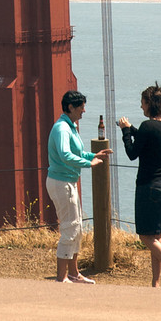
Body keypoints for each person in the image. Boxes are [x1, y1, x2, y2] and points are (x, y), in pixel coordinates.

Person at [117, 82, 161, 288]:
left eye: (142, 103)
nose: (141, 107)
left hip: (149, 186)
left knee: (145, 237)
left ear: (149, 105)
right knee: (156, 236)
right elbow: (150, 140)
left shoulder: (147, 127)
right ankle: (155, 283)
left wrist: (125, 132)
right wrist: (132, 128)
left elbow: (132, 153)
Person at [46, 89, 112, 285]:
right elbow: (65, 154)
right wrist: (88, 164)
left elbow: (78, 152)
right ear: (70, 107)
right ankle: (62, 277)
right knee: (69, 227)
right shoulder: (62, 129)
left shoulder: (70, 126)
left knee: (77, 227)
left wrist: (94, 156)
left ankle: (74, 274)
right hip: (61, 182)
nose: (84, 110)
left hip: (68, 181)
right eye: (81, 106)